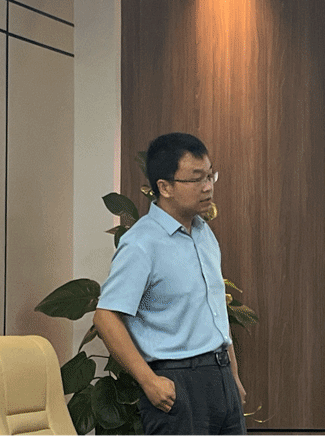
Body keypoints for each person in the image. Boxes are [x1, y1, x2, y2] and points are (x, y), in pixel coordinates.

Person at [94, 132, 247, 436]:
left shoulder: (204, 234)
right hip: (177, 383)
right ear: (164, 187)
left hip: (221, 380)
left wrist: (233, 376)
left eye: (210, 175)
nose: (208, 186)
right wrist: (149, 381)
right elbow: (105, 316)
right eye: (196, 179)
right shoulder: (141, 243)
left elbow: (216, 310)